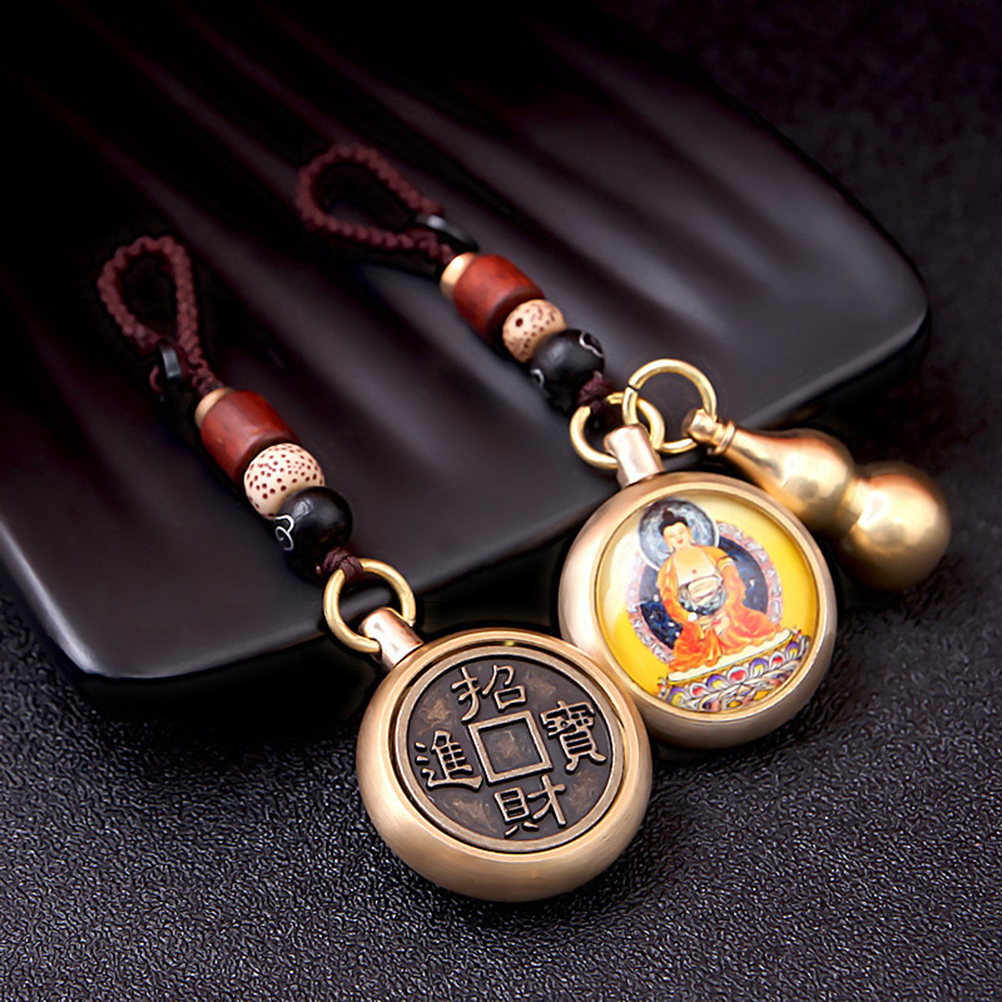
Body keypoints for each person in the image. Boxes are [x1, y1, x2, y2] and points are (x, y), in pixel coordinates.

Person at [656, 513, 778, 674]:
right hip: (698, 622)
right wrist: (691, 617)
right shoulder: (667, 571)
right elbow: (671, 603)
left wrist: (727, 606)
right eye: (672, 536)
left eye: (681, 532)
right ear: (666, 541)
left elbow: (733, 581)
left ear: (689, 532)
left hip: (728, 611)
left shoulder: (713, 553)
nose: (678, 538)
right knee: (693, 654)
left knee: (749, 631)